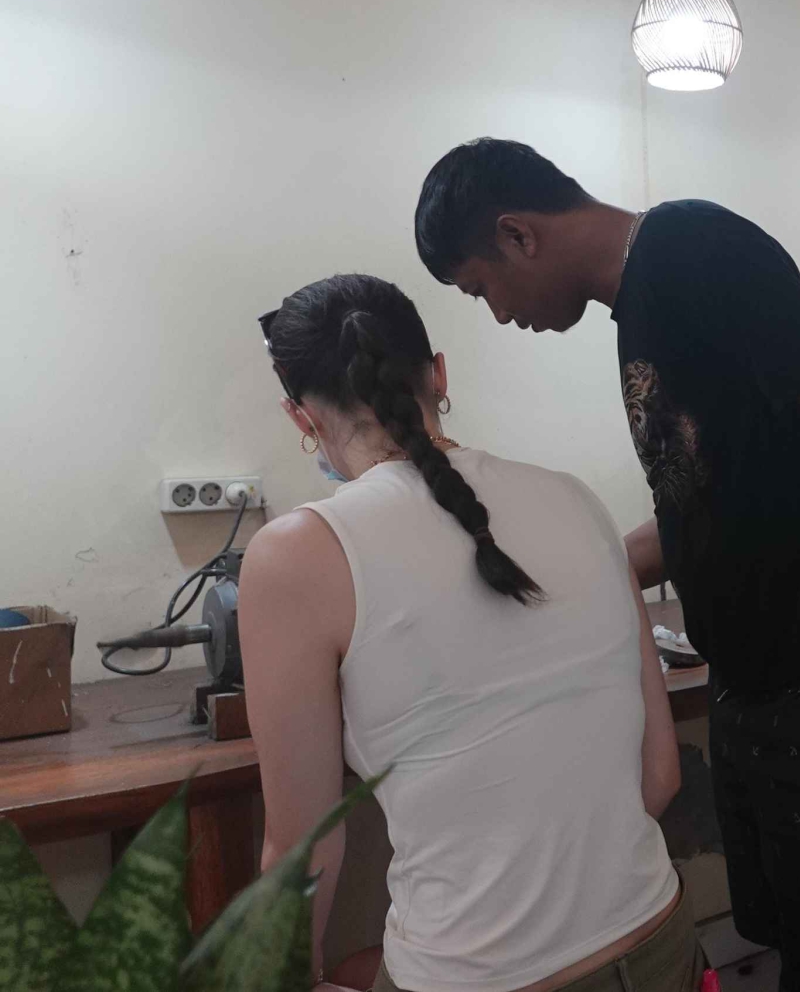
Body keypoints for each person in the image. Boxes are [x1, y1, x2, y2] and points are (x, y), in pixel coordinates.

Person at [414, 139, 800, 991]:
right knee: (790, 933)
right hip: (759, 683)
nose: (497, 314)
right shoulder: (640, 310)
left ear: (518, 234)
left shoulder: (687, 247)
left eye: (480, 288)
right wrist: (554, 575)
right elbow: (700, 503)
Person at [240, 274, 703, 992]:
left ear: (301, 418)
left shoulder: (295, 555)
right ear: (439, 373)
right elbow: (660, 777)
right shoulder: (575, 497)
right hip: (661, 948)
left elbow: (303, 848)